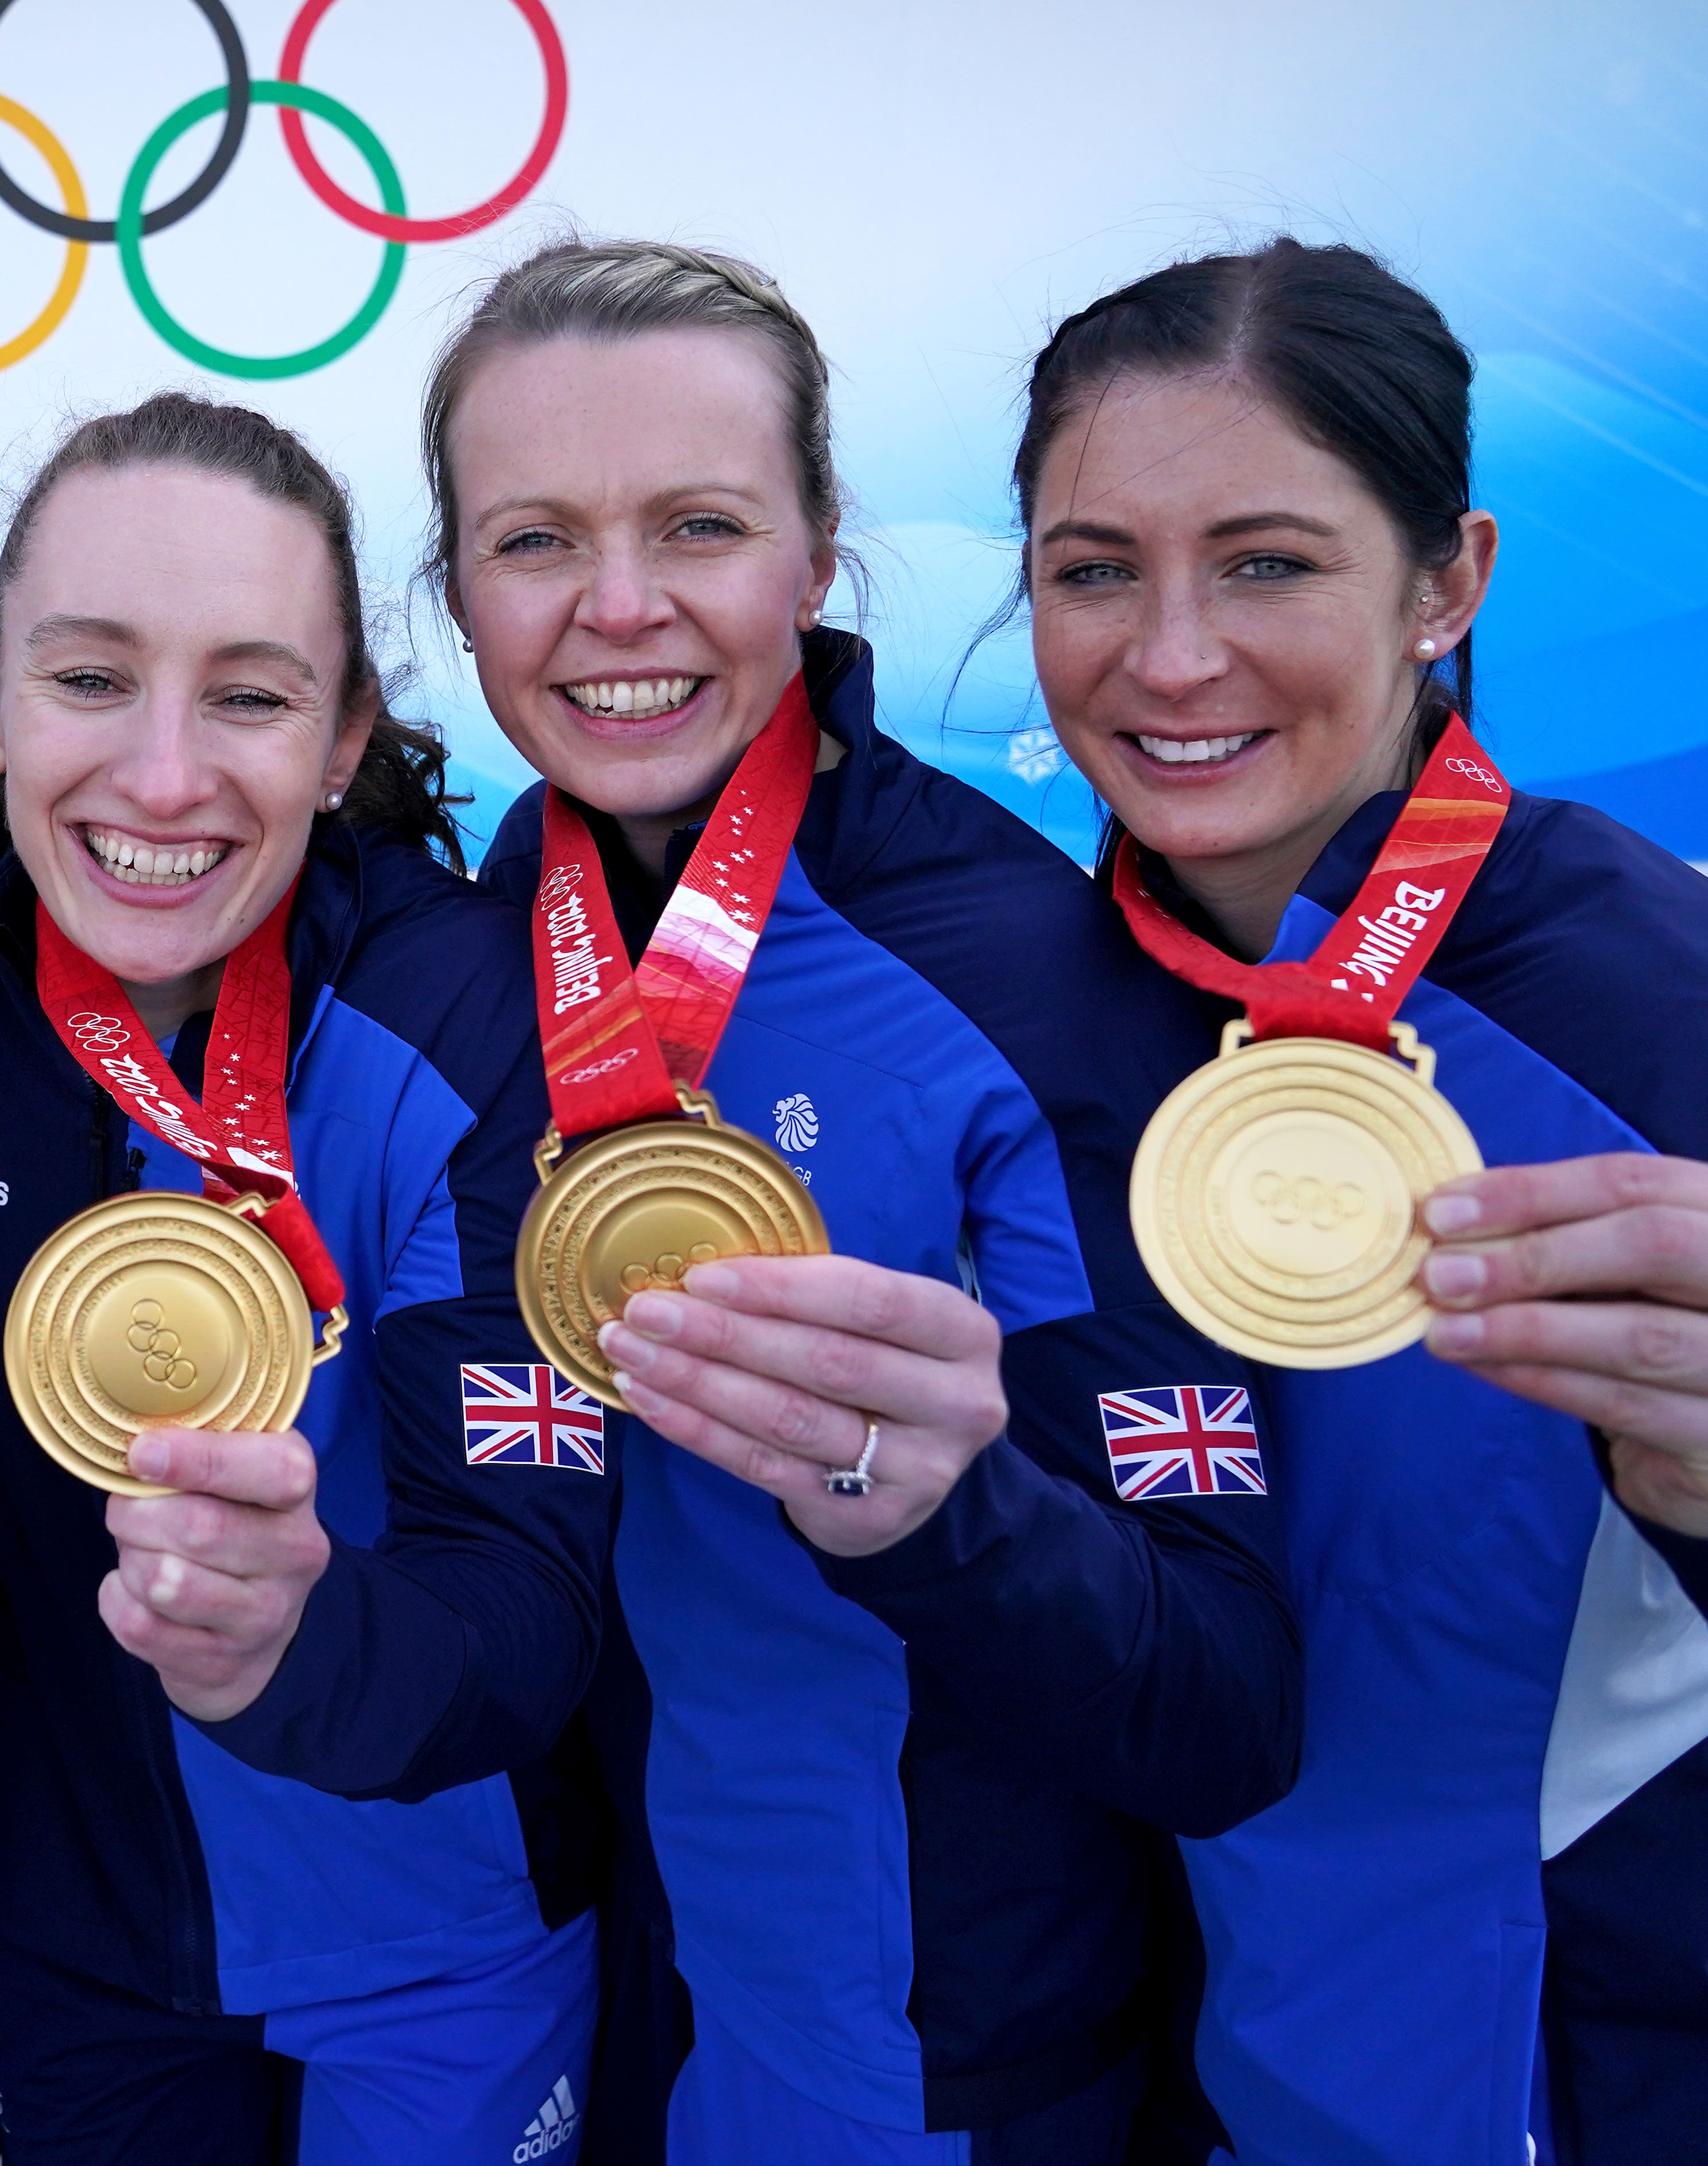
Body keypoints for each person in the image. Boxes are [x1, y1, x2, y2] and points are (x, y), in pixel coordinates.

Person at [429, 239, 1304, 2160]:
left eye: (700, 523)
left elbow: (1226, 1705)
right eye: (533, 540)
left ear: (816, 550)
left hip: (956, 2067)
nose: (619, 607)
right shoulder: (469, 945)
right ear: (452, 592)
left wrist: (943, 1512)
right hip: (618, 2031)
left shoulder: (1029, 977)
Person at [1017, 235, 1708, 2164]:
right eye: (1091, 568)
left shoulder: (1685, 1019)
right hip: (1216, 2074)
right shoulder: (1042, 1006)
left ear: (1446, 580)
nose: (1170, 653)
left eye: (1267, 563)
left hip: (1608, 2075)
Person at [0, 392, 612, 2165]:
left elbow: (532, 1600)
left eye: (252, 693)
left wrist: (297, 1641)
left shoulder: (470, 1021)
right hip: (84, 1934)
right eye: (89, 677)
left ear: (348, 731)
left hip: (448, 1935)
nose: (160, 776)